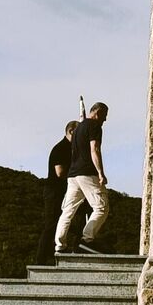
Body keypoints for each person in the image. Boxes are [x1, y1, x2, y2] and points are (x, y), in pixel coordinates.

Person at [57, 102, 112, 254]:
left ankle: (59, 245)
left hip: (73, 175)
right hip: (87, 173)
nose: (105, 120)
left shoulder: (77, 128)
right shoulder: (95, 126)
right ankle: (86, 240)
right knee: (101, 207)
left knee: (68, 210)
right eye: (105, 116)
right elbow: (94, 149)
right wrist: (100, 172)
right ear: (98, 113)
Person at [38, 120, 78, 264]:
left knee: (61, 223)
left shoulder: (71, 148)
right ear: (71, 131)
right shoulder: (60, 148)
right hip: (54, 191)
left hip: (64, 190)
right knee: (51, 224)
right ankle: (41, 260)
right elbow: (60, 172)